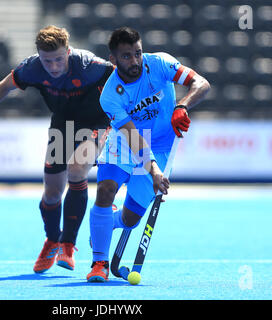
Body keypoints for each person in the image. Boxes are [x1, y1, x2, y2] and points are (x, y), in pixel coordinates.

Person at [0, 25, 114, 273]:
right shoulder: (31, 68)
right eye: (47, 60)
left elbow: (125, 78)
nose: (53, 67)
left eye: (59, 59)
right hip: (62, 124)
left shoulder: (88, 65)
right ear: (39, 56)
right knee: (52, 193)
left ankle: (68, 245)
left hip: (95, 122)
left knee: (77, 169)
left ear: (68, 51)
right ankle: (52, 239)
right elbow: (0, 89)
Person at [86, 27, 210, 282]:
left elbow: (202, 83)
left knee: (131, 219)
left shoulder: (161, 63)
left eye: (138, 53)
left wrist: (182, 105)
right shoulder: (110, 95)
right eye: (126, 56)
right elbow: (132, 136)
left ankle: (106, 224)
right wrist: (154, 170)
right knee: (105, 189)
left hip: (164, 144)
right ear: (113, 60)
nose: (135, 61)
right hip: (124, 141)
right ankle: (99, 262)